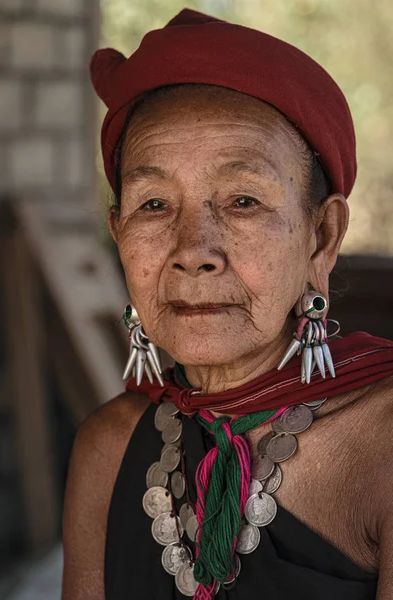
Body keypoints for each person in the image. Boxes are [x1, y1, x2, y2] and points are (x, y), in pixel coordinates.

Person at [61, 8, 393, 600]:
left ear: (321, 237)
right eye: (154, 205)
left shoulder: (383, 447)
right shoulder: (106, 450)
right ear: (118, 235)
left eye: (243, 200)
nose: (193, 252)